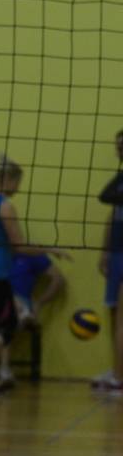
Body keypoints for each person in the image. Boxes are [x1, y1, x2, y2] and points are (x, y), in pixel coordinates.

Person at [0, 155, 69, 394]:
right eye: (18, 182)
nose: (18, 188)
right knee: (7, 327)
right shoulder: (5, 206)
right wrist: (51, 249)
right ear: (8, 179)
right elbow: (19, 246)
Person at [0, 252, 67, 387]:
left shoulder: (32, 254)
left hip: (18, 303)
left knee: (7, 319)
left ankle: (2, 369)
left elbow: (59, 279)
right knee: (4, 308)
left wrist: (40, 303)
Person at [92, 129, 123, 392]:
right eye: (117, 146)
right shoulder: (121, 180)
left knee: (122, 318)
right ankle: (117, 369)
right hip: (116, 254)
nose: (119, 151)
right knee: (114, 315)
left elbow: (105, 195)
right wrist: (104, 251)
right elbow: (111, 210)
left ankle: (119, 379)